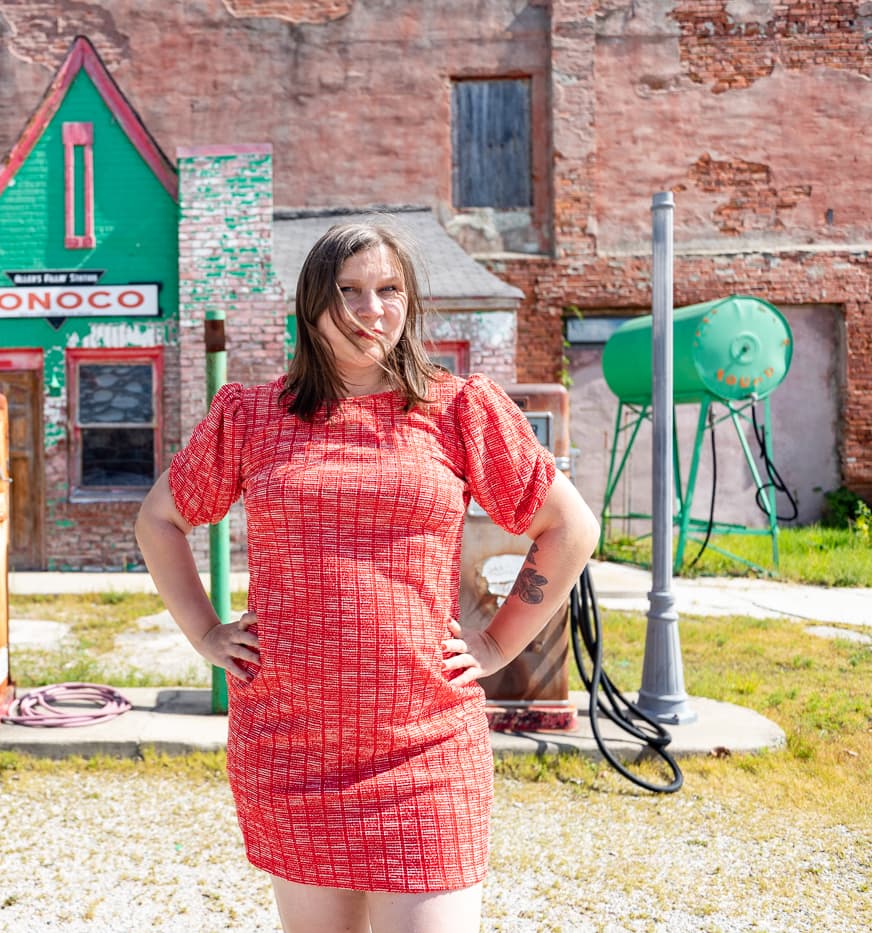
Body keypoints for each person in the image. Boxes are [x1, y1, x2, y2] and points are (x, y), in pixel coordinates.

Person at [135, 222, 599, 932]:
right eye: (347, 291)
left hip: (425, 745)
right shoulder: (252, 417)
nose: (370, 309)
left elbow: (570, 528)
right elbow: (159, 520)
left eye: (388, 290)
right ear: (310, 305)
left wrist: (499, 645)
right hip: (293, 744)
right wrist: (205, 631)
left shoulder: (459, 409)